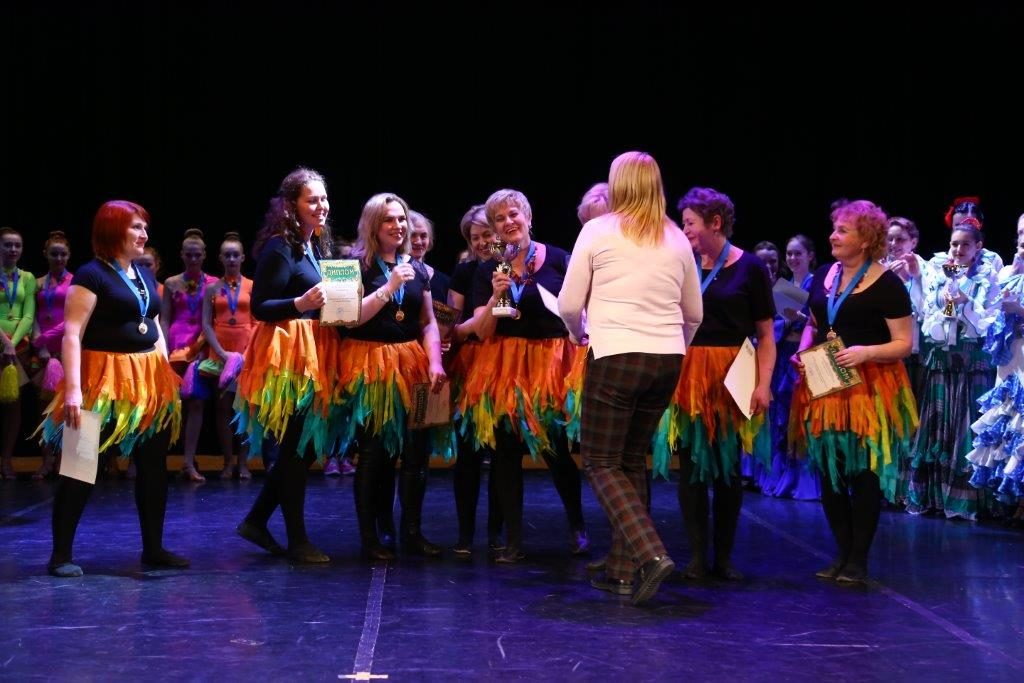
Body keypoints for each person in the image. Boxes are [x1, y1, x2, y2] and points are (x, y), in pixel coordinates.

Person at [559, 151, 702, 604]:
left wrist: (577, 332)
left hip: (617, 354)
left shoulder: (599, 230)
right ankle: (622, 572)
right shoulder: (676, 237)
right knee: (629, 460)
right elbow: (694, 313)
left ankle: (650, 553)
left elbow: (568, 303)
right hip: (666, 360)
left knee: (600, 462)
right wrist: (674, 343)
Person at [39, 200, 188, 576]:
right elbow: (72, 334)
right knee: (81, 465)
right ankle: (61, 555)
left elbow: (152, 323)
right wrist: (74, 391)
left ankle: (153, 549)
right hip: (101, 380)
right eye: (136, 227)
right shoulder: (91, 275)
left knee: (153, 466)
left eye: (144, 227)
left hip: (147, 380)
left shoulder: (141, 273)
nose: (144, 234)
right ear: (113, 231)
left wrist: (165, 373)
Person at [312, 193, 446, 560]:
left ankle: (412, 532)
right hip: (369, 365)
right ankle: (370, 536)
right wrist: (388, 288)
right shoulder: (346, 265)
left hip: (413, 366)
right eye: (389, 219)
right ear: (372, 224)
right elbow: (345, 319)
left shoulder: (416, 267)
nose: (399, 226)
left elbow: (428, 322)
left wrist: (435, 361)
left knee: (417, 453)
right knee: (374, 453)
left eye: (402, 219)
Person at [458, 188, 589, 563]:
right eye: (499, 219)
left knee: (556, 451)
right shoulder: (490, 268)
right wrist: (495, 297)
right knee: (505, 453)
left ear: (528, 217)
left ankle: (577, 525)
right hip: (505, 366)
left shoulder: (560, 259)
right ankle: (513, 539)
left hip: (550, 365)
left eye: (513, 214)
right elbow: (483, 331)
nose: (508, 222)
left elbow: (580, 312)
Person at [789, 199, 917, 583]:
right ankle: (842, 553)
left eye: (842, 230)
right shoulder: (824, 275)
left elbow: (904, 343)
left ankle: (858, 560)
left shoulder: (887, 284)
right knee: (830, 472)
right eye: (834, 228)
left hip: (869, 386)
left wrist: (866, 352)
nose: (833, 236)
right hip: (827, 382)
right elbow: (814, 322)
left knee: (862, 473)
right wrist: (802, 352)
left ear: (865, 240)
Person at [654, 187, 775, 581]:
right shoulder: (682, 263)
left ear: (715, 223)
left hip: (732, 372)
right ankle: (695, 556)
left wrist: (763, 384)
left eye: (690, 223)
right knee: (691, 464)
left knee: (726, 466)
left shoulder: (750, 268)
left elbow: (766, 335)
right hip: (688, 371)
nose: (685, 229)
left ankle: (723, 557)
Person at [234, 167, 338, 564]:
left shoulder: (314, 246)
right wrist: (300, 303)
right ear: (292, 205)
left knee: (303, 448)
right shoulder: (281, 246)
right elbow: (261, 306)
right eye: (312, 199)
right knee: (295, 448)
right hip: (288, 357)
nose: (321, 205)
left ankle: (257, 520)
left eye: (324, 198)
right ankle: (297, 540)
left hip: (314, 352)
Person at [907, 218, 998, 519]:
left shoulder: (987, 276)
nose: (958, 249)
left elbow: (986, 322)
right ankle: (937, 494)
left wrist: (965, 301)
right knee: (941, 426)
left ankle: (967, 500)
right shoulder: (942, 275)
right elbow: (933, 318)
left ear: (978, 247)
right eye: (954, 244)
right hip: (944, 361)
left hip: (971, 363)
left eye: (965, 244)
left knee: (965, 425)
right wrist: (948, 307)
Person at [447, 204, 501, 556]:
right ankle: (465, 535)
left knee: (502, 455)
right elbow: (452, 326)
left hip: (507, 366)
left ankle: (496, 534)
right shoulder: (465, 271)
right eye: (474, 238)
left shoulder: (512, 267)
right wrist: (473, 327)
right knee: (468, 453)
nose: (481, 243)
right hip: (472, 366)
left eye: (486, 235)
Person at [967, 225, 1024, 520]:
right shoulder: (1006, 274)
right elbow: (981, 318)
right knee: (1008, 420)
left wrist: (1020, 311)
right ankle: (1011, 500)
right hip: (1005, 356)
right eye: (1021, 232)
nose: (1023, 238)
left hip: (993, 358)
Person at [758, 234, 821, 500]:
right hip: (783, 353)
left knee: (802, 417)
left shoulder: (816, 282)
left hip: (804, 354)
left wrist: (801, 317)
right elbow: (774, 325)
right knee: (781, 417)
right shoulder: (785, 286)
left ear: (810, 256)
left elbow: (820, 320)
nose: (793, 258)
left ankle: (804, 480)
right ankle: (780, 476)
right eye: (790, 254)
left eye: (798, 253)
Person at [162, 228, 218, 482]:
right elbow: (165, 319)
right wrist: (163, 350)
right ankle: (161, 459)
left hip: (200, 347)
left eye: (197, 255)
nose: (193, 259)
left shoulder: (213, 284)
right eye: (189, 255)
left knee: (196, 403)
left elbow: (213, 320)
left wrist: (203, 348)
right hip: (175, 348)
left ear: (204, 255)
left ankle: (188, 462)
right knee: (173, 406)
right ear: (182, 255)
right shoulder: (171, 283)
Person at [200, 232, 257, 480]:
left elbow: (258, 322)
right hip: (220, 354)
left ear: (243, 257)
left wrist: (247, 353)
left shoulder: (252, 286)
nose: (232, 259)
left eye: (236, 255)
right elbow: (206, 324)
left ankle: (243, 463)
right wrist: (223, 354)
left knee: (245, 410)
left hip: (247, 354)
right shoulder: (212, 288)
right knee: (223, 409)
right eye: (227, 255)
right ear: (221, 258)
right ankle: (227, 462)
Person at [30, 231, 74, 479]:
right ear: (46, 254)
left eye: (63, 254)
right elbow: (34, 317)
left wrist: (48, 340)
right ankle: (46, 459)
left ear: (68, 256)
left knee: (68, 406)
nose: (58, 258)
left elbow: (75, 318)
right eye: (54, 254)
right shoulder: (37, 283)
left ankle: (66, 460)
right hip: (45, 354)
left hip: (68, 350)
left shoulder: (76, 282)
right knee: (44, 408)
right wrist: (41, 346)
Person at [1, 227, 36, 479]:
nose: (13, 249)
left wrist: (12, 343)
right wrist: (4, 342)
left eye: (17, 245)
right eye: (7, 245)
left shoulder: (27, 277)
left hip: (18, 350)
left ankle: (6, 461)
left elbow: (29, 315)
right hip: (5, 345)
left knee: (13, 407)